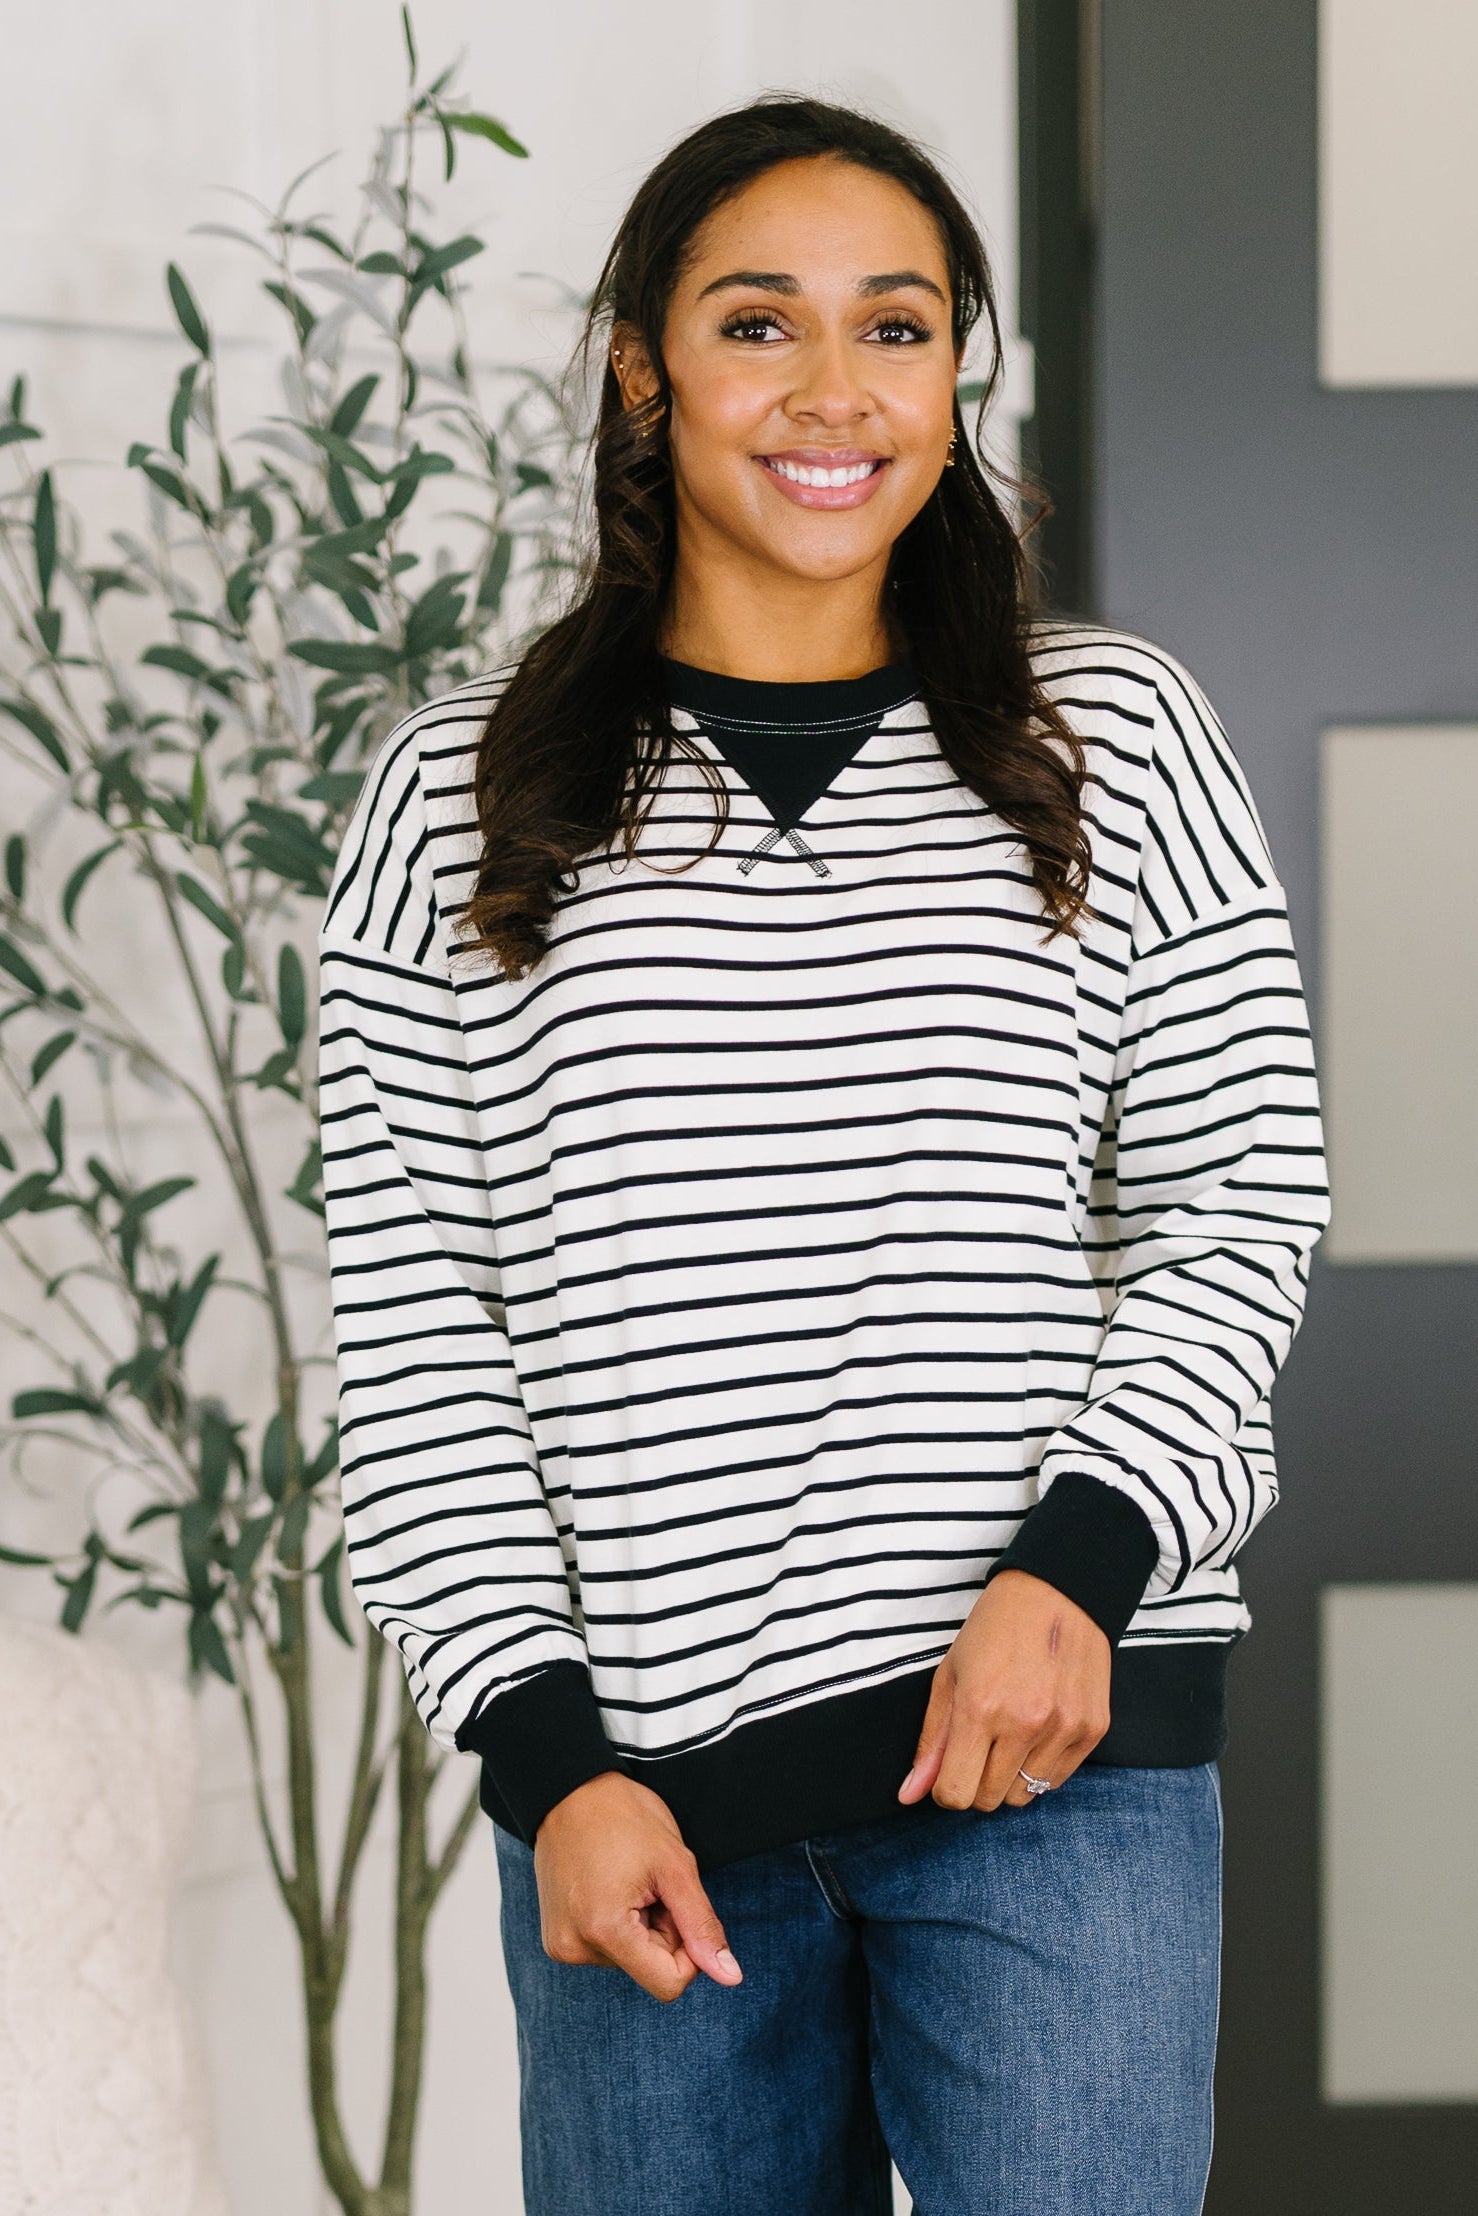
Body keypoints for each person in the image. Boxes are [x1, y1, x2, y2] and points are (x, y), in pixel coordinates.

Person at [317, 96, 1330, 2216]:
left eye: (895, 327)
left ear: (955, 374)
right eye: (757, 323)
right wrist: (546, 1760)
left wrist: (1080, 1565)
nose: (832, 391)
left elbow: (1236, 1198)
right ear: (644, 370)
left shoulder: (1113, 739)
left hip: (1057, 1754)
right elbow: (417, 1332)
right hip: (643, 1807)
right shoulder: (454, 797)